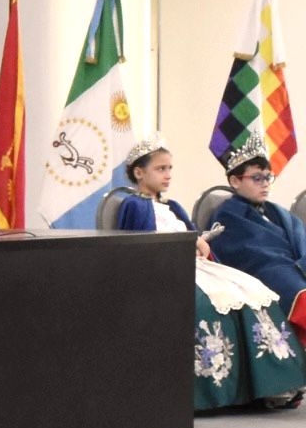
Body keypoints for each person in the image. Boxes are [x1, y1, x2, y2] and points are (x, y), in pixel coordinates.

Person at [118, 138, 305, 410]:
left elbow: (194, 236)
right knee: (210, 304)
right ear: (139, 172)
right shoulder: (134, 205)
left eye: (169, 168)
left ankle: (271, 383)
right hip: (162, 268)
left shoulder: (172, 206)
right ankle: (218, 386)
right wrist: (183, 246)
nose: (168, 174)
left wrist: (199, 243)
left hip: (193, 264)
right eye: (160, 169)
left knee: (252, 292)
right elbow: (134, 246)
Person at [210, 132, 306, 344]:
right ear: (235, 180)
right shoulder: (227, 216)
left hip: (293, 267)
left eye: (268, 177)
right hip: (267, 272)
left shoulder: (276, 211)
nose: (265, 184)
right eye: (256, 178)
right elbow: (247, 253)